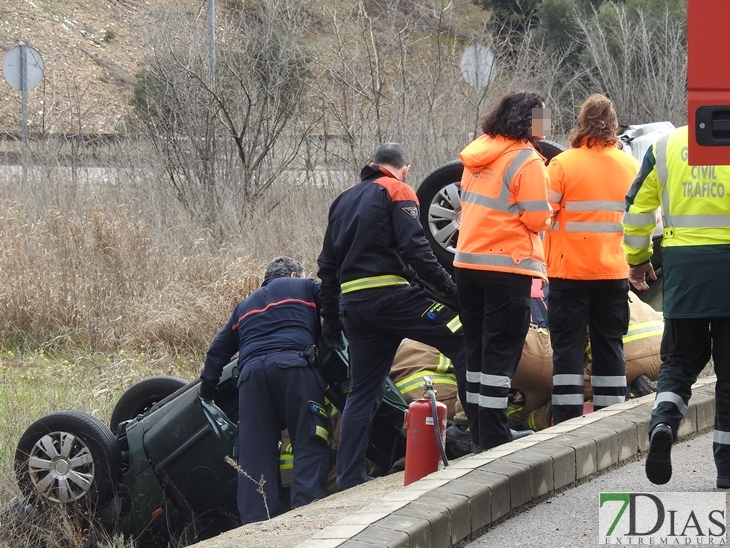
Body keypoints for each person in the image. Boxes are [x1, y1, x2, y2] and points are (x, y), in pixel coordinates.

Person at [317, 142, 467, 491]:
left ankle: (349, 478)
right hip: (392, 299)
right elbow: (417, 250)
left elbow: (326, 266)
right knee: (462, 336)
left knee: (363, 390)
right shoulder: (398, 190)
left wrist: (329, 318)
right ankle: (471, 430)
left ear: (372, 164)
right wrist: (453, 292)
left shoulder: (342, 200)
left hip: (354, 309)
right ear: (405, 169)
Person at [622, 125, 730, 488]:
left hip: (685, 269)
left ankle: (664, 422)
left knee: (680, 360)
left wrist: (636, 259)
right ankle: (727, 469)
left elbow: (637, 209)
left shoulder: (666, 145)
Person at [453, 90, 552, 452]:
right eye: (542, 116)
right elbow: (537, 217)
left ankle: (481, 434)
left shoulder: (478, 153)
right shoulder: (527, 161)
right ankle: (495, 440)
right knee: (500, 355)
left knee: (477, 352)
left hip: (467, 266)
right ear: (529, 120)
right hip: (507, 268)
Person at [198, 256, 331, 525]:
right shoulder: (306, 287)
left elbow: (217, 351)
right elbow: (335, 306)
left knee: (254, 453)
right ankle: (306, 516)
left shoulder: (244, 307)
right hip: (294, 367)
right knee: (308, 438)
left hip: (251, 379)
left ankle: (257, 526)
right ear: (294, 275)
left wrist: (207, 392)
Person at [545, 94, 640, 423]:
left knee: (567, 348)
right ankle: (611, 420)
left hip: (568, 271)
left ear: (581, 122)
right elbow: (647, 220)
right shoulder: (630, 165)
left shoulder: (562, 164)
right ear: (614, 124)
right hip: (613, 271)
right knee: (610, 345)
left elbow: (540, 215)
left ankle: (567, 422)